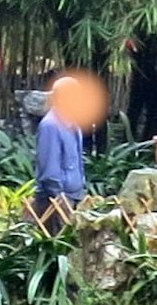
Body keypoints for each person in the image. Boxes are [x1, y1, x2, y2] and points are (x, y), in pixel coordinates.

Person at [36, 67, 107, 221]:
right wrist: (59, 198)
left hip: (74, 196)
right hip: (56, 201)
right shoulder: (51, 125)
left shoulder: (73, 124)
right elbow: (50, 168)